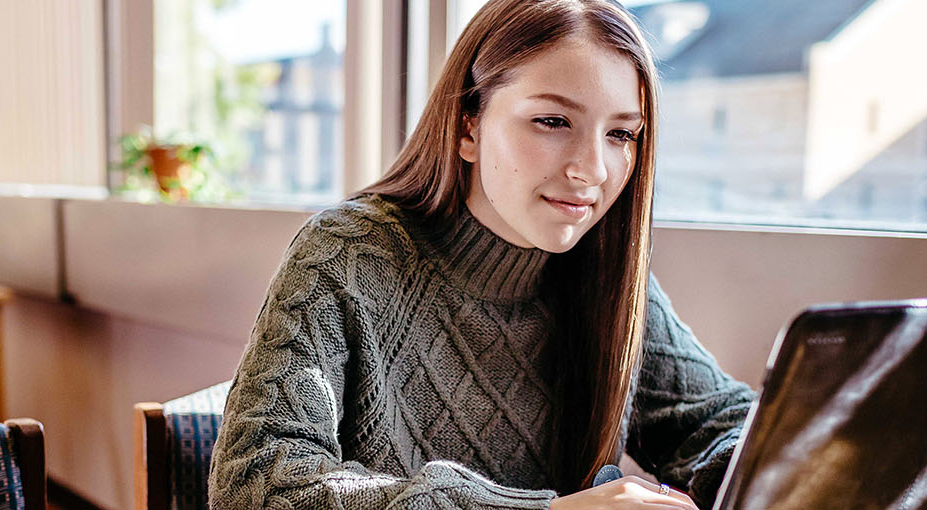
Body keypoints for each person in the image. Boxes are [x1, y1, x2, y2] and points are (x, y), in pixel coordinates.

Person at [208, 0, 755, 508]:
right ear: (468, 124)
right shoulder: (348, 254)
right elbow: (255, 482)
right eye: (553, 121)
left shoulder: (606, 274)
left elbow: (727, 424)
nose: (592, 169)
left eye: (621, 135)